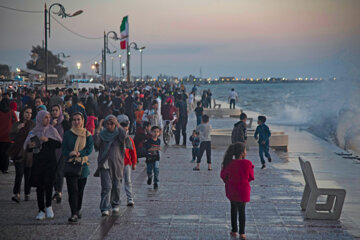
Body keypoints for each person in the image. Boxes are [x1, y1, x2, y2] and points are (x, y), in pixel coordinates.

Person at [24, 110, 62, 220]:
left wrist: (47, 140)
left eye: (48, 117)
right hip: (38, 162)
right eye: (45, 117)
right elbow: (27, 147)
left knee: (49, 184)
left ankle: (49, 206)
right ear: (40, 118)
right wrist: (30, 146)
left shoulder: (52, 130)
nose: (47, 119)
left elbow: (59, 143)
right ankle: (41, 210)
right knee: (39, 186)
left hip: (50, 162)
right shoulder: (34, 131)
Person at [94, 115, 130, 216]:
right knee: (106, 187)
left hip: (117, 164)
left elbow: (125, 137)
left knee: (116, 185)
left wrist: (118, 124)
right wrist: (99, 127)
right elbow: (96, 144)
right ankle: (104, 207)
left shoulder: (118, 134)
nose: (109, 126)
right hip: (105, 164)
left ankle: (115, 204)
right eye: (107, 124)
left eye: (111, 124)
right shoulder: (102, 134)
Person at [62, 112, 93, 222]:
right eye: (74, 120)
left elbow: (89, 149)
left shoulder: (87, 134)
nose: (76, 122)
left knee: (80, 190)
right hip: (71, 165)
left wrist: (80, 153)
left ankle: (78, 209)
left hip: (83, 166)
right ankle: (73, 212)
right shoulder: (67, 134)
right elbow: (63, 148)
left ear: (82, 120)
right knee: (72, 190)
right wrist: (70, 153)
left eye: (78, 119)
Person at [220, 142, 254, 239]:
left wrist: (228, 181)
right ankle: (242, 233)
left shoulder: (229, 163)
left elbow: (223, 175)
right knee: (242, 211)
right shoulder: (248, 163)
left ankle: (234, 230)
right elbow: (251, 177)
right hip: (243, 190)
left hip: (232, 190)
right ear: (242, 153)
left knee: (233, 209)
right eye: (245, 150)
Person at [9, 107, 35, 202]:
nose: (28, 114)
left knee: (28, 175)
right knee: (19, 174)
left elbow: (36, 137)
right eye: (26, 112)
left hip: (29, 154)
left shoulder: (33, 125)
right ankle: (16, 193)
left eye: (30, 113)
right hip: (18, 152)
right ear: (22, 113)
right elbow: (11, 137)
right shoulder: (17, 124)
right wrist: (17, 129)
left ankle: (27, 193)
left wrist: (33, 144)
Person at [51, 104, 70, 203]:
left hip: (62, 151)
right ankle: (56, 190)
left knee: (60, 172)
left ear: (60, 111)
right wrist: (52, 126)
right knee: (53, 172)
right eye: (53, 110)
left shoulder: (64, 123)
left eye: (56, 110)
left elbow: (68, 136)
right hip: (52, 151)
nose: (54, 112)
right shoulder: (50, 122)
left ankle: (59, 192)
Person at [118, 118, 137, 207]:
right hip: (117, 164)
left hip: (127, 163)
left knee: (128, 181)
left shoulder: (129, 140)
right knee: (117, 182)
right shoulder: (116, 139)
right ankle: (116, 199)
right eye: (123, 130)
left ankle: (130, 198)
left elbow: (133, 152)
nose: (125, 132)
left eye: (126, 130)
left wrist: (134, 163)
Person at [0, 98, 18, 173]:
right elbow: (16, 122)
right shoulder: (11, 112)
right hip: (8, 136)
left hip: (0, 136)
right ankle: (5, 168)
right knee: (6, 153)